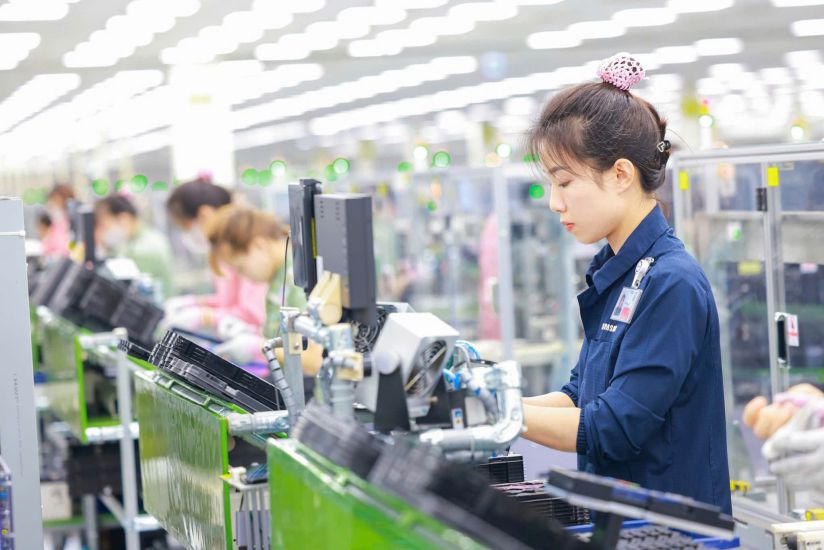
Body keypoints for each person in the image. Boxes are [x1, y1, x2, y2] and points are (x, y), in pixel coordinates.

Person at [520, 53, 731, 513]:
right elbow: (582, 394)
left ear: (620, 175)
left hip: (671, 534)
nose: (555, 203)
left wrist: (501, 416)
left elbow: (612, 426)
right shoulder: (616, 270)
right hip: (619, 520)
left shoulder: (672, 283)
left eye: (565, 182)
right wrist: (490, 401)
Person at [204, 205, 322, 373]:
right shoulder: (278, 278)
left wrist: (259, 346)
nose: (243, 276)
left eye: (240, 268)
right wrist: (250, 333)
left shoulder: (299, 280)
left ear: (258, 245)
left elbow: (316, 360)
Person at [163, 179, 268, 338]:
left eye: (185, 227)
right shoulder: (224, 249)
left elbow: (253, 313)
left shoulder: (244, 245)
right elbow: (229, 301)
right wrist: (196, 303)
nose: (186, 235)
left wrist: (205, 316)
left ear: (204, 214)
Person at [94, 194, 174, 297]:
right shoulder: (136, 241)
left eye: (103, 226)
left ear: (123, 219)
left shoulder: (143, 249)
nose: (100, 233)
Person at [42, 183, 74, 257]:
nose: (52, 207)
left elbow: (70, 248)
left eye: (55, 202)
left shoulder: (73, 224)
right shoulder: (56, 224)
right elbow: (47, 247)